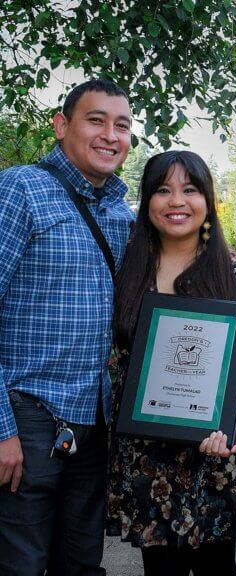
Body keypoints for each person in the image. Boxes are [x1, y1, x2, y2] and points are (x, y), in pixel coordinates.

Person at [0, 79, 134, 576]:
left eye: (121, 125)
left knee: (81, 563)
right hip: (26, 421)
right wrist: (0, 431)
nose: (110, 135)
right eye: (95, 120)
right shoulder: (21, 189)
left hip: (93, 424)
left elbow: (184, 257)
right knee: (20, 564)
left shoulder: (120, 213)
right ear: (62, 126)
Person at [107, 151, 236, 575]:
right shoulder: (123, 271)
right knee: (159, 569)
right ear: (146, 202)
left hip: (213, 451)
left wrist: (230, 425)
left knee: (218, 567)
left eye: (190, 190)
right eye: (163, 190)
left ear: (208, 201)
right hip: (145, 450)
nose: (177, 201)